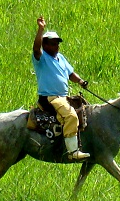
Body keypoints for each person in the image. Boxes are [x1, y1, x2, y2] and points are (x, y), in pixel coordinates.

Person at [33, 16, 90, 161]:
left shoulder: (61, 57)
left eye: (57, 44)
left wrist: (81, 81)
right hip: (50, 97)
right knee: (71, 116)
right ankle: (73, 152)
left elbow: (70, 73)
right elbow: (35, 48)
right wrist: (41, 29)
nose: (56, 46)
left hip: (63, 97)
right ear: (45, 45)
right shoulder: (41, 57)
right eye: (52, 44)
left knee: (85, 111)